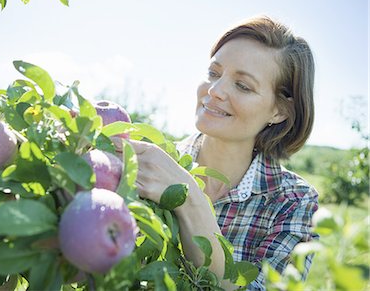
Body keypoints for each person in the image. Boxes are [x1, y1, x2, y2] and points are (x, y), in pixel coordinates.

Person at [114, 15, 318, 290]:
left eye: (243, 85)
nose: (215, 90)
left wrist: (189, 199)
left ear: (279, 111)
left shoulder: (293, 202)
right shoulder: (150, 164)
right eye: (214, 73)